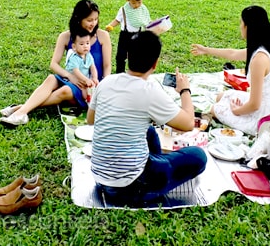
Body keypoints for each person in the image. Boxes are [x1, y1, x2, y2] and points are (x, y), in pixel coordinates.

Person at [87, 31, 207, 204]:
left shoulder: (106, 82)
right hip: (131, 185)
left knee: (149, 131)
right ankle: (156, 174)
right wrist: (184, 90)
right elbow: (188, 123)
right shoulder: (149, 91)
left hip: (100, 177)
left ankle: (155, 164)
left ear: (127, 56)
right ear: (155, 63)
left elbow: (91, 120)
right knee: (198, 156)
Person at [0, 0, 112, 127]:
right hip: (71, 79)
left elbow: (107, 66)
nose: (93, 23)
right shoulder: (65, 36)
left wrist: (103, 86)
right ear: (78, 19)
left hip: (90, 86)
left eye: (96, 19)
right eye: (89, 20)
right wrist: (70, 76)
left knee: (65, 91)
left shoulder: (103, 36)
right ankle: (21, 113)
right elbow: (54, 64)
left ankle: (19, 110)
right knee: (51, 78)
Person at [190, 5, 270, 136]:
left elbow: (254, 104)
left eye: (241, 23)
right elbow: (233, 53)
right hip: (265, 103)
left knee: (215, 109)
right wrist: (206, 50)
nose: (240, 26)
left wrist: (237, 110)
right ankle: (235, 110)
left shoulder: (259, 60)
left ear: (248, 26)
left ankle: (236, 114)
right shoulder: (261, 48)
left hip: (265, 118)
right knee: (221, 96)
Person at [105, 0, 151, 74]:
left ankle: (133, 73)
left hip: (138, 35)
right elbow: (117, 20)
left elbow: (147, 22)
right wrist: (110, 26)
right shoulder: (123, 9)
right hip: (125, 35)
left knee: (135, 56)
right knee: (121, 56)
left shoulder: (143, 10)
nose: (137, 5)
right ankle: (120, 73)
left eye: (139, 2)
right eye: (134, 3)